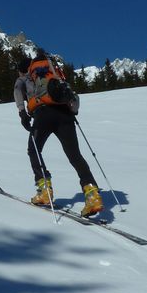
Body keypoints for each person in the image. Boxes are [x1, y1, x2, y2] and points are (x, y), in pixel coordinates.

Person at [14, 52, 103, 217]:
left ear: (22, 70)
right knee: (75, 155)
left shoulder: (24, 78)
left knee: (34, 150)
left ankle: (44, 190)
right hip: (65, 115)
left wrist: (22, 113)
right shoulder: (52, 73)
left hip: (43, 115)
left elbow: (18, 91)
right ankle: (93, 196)